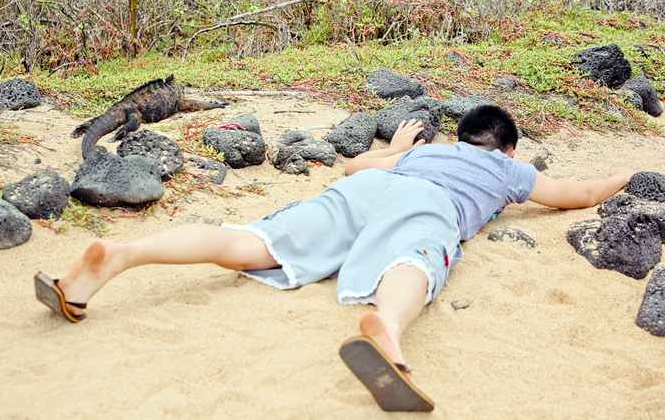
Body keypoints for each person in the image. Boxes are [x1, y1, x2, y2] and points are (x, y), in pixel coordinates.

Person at [34, 105, 636, 412]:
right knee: (416, 260)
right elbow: (579, 196)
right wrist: (628, 171)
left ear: (458, 137)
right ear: (504, 147)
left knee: (251, 240)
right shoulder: (509, 169)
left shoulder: (421, 155)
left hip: (365, 191)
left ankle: (117, 257)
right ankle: (389, 332)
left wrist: (396, 147)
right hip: (429, 207)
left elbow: (351, 168)